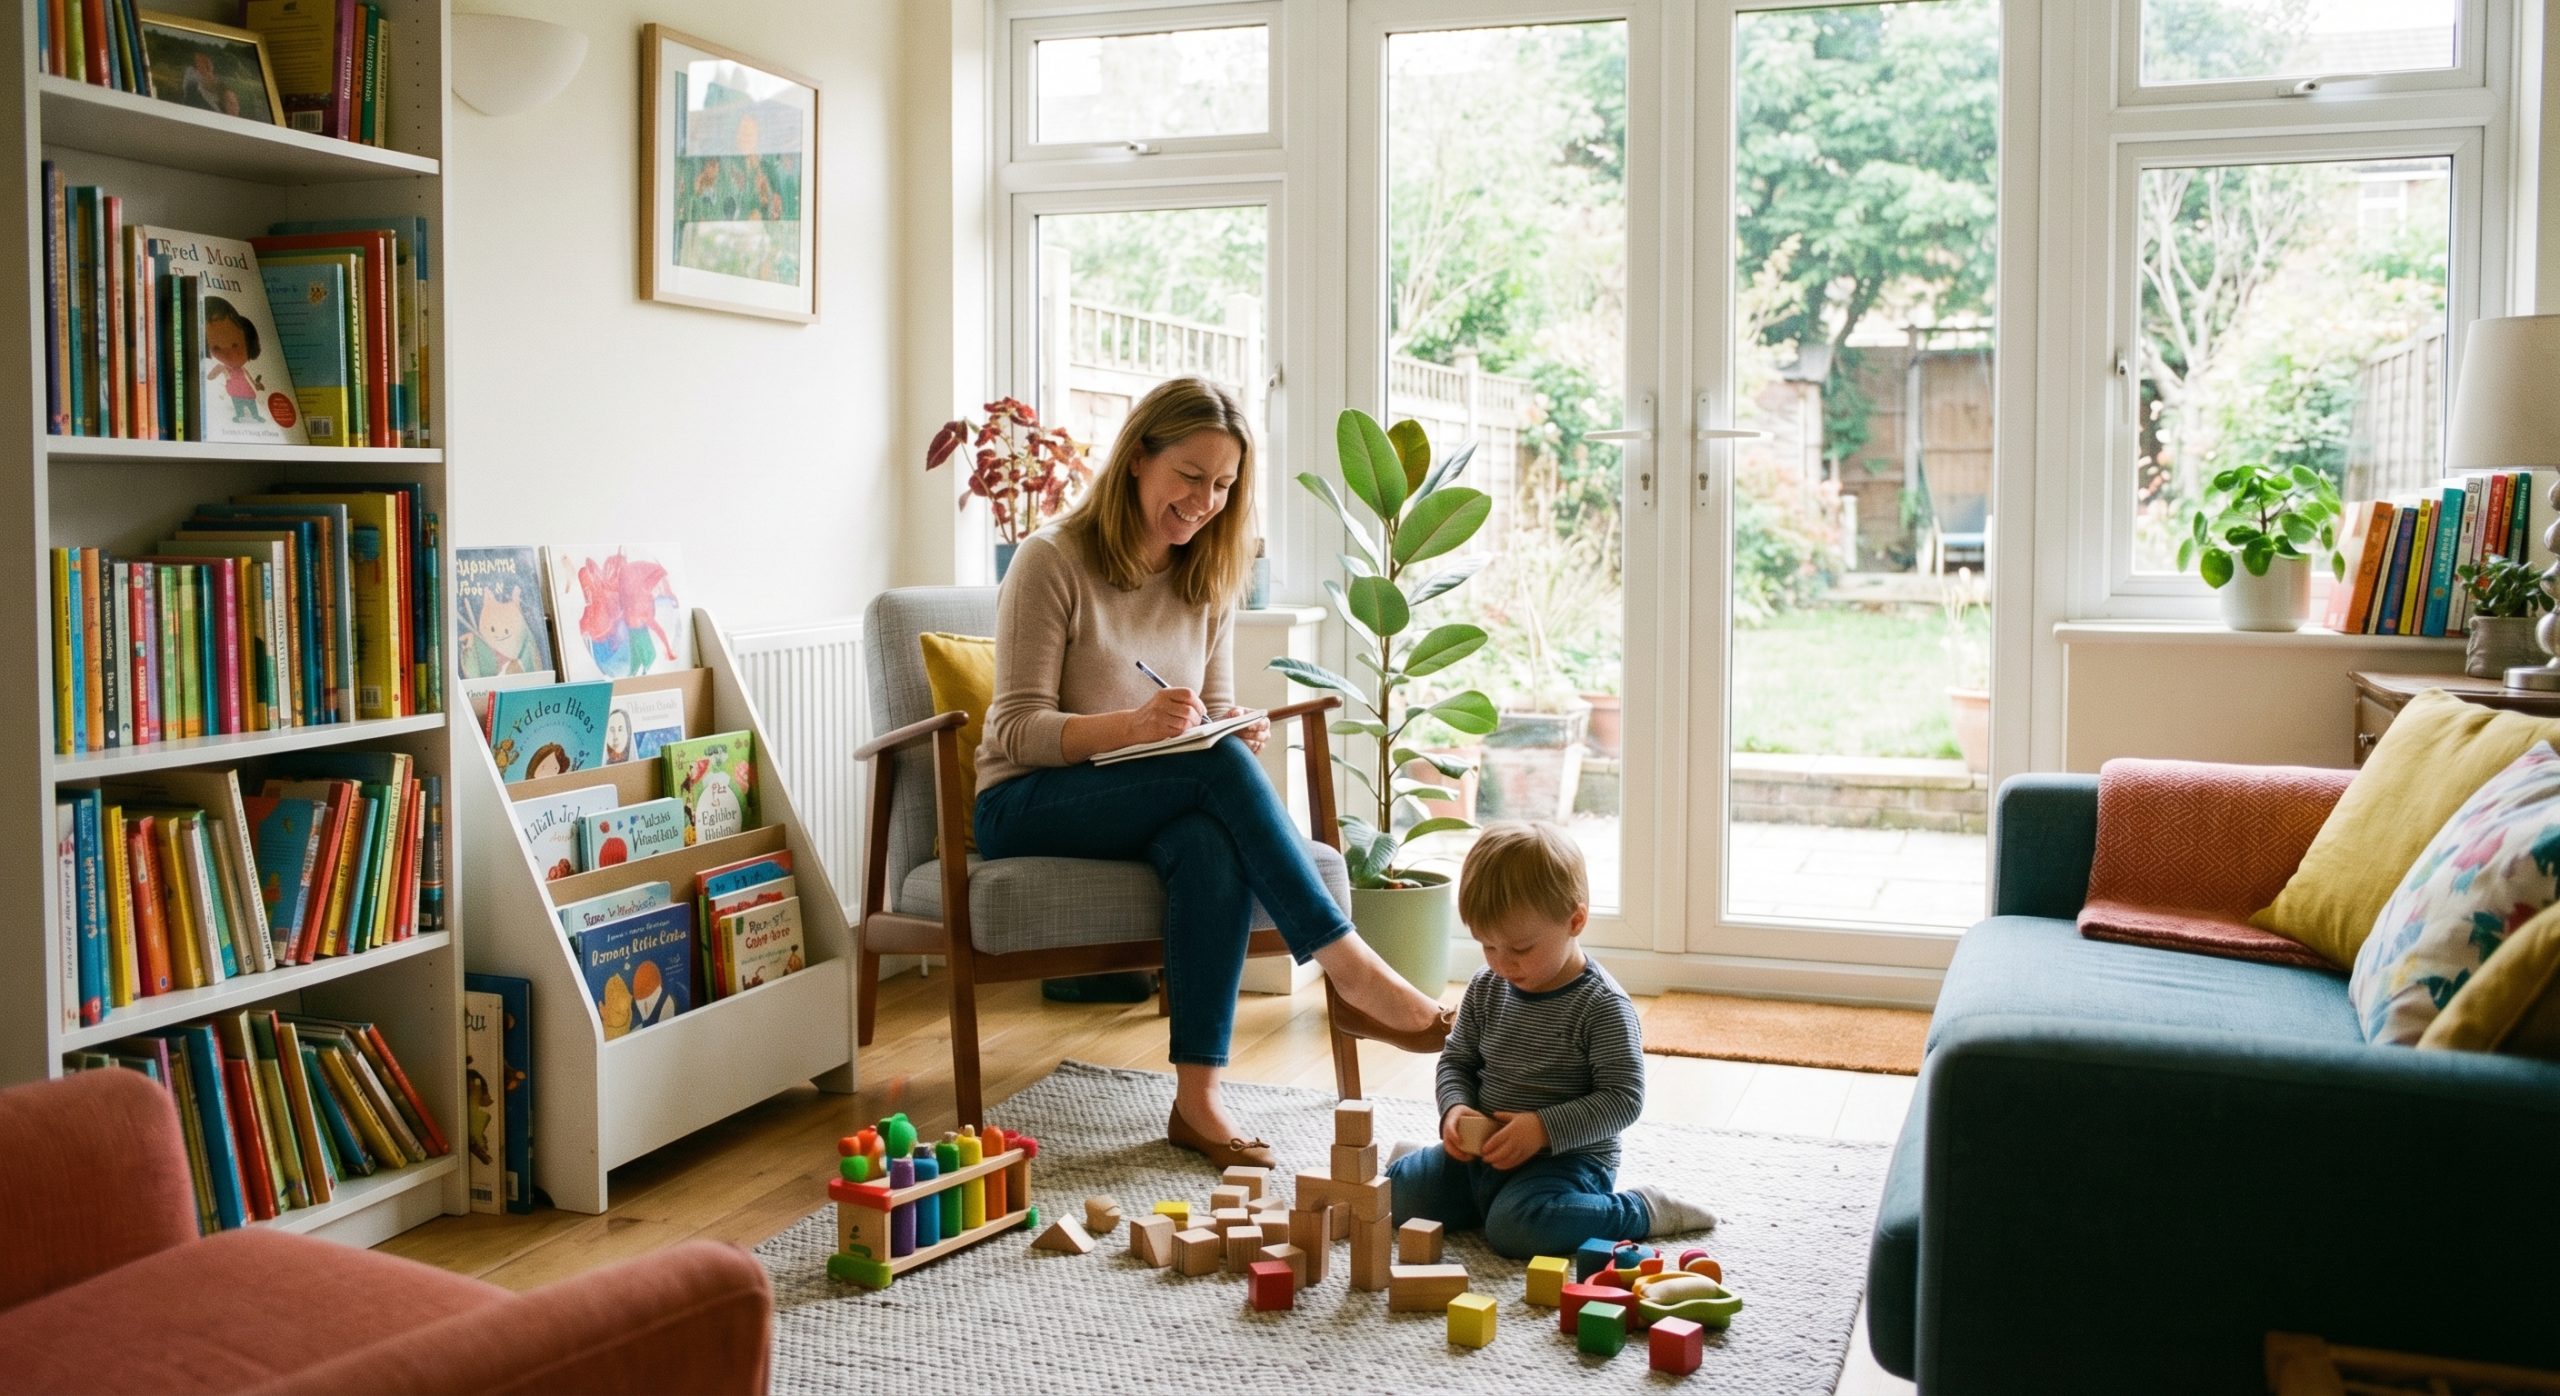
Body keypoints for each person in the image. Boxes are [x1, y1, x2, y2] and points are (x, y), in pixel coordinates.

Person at [974, 375, 1453, 1169]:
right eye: (1190, 476)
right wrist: (1133, 726)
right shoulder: (1050, 560)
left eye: (1224, 485)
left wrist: (1234, 727)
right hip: (1027, 801)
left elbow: (1214, 705)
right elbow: (1013, 728)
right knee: (1211, 780)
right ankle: (1352, 970)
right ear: (1138, 459)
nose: (1204, 501)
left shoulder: (1208, 571)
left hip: (1153, 796)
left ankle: (1197, 1102)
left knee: (1207, 839)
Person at [1384, 821, 1717, 1257]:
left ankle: (1643, 1210)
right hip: (1484, 1153)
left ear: (1575, 920)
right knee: (1394, 1196)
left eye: (1520, 949)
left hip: (1565, 1163)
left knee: (1516, 1229)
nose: (1502, 963)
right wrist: (1456, 1108)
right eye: (1487, 946)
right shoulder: (1487, 987)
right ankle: (1427, 1168)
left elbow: (1624, 1098)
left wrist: (1542, 1130)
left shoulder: (1602, 1005)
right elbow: (1456, 1062)